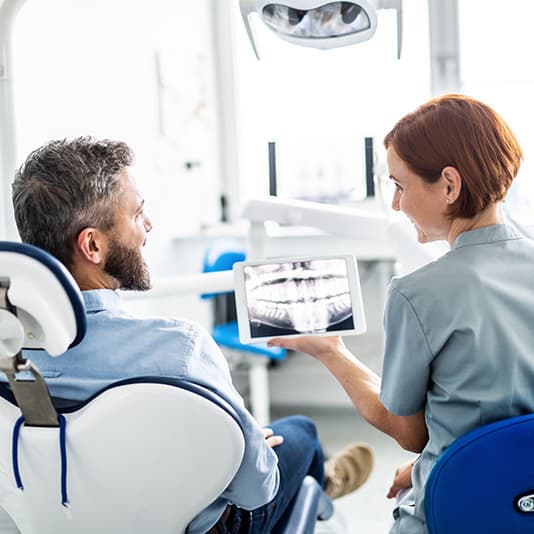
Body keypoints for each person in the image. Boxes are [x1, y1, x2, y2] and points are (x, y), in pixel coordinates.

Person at [7, 136, 374, 534]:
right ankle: (323, 483)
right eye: (137, 213)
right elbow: (256, 490)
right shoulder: (180, 350)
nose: (149, 225)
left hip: (63, 517)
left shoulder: (8, 354)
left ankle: (323, 481)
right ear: (92, 244)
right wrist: (251, 450)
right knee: (300, 434)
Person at [267, 93, 534, 533]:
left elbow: (410, 434)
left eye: (400, 186)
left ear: (449, 185)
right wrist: (429, 464)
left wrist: (332, 351)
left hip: (462, 509)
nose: (395, 204)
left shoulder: (418, 294)